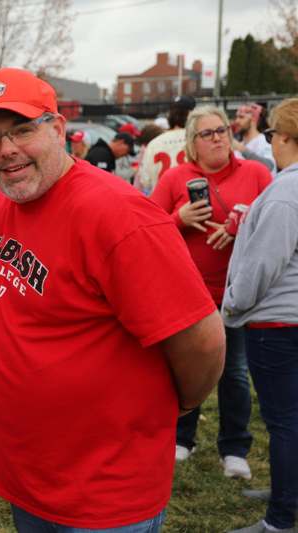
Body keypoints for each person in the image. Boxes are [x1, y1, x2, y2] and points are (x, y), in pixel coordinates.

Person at [0, 67, 225, 532]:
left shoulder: (116, 214)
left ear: (59, 130)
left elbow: (202, 340)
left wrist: (179, 405)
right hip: (31, 480)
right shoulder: (8, 197)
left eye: (22, 130)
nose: (6, 150)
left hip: (105, 493)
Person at [151, 106, 272, 478]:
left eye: (222, 130)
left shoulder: (255, 172)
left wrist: (239, 226)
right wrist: (179, 219)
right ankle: (182, 438)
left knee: (234, 372)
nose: (218, 137)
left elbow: (275, 224)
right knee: (184, 368)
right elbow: (147, 230)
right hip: (188, 293)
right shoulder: (175, 178)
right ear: (192, 142)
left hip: (237, 292)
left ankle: (234, 448)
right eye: (208, 133)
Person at [222, 98, 298, 533]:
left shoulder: (286, 191)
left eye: (271, 134)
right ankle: (288, 490)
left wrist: (232, 303)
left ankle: (280, 520)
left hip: (278, 323)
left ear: (283, 136)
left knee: (283, 421)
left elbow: (263, 264)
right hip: (288, 318)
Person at [137, 95, 196, 195]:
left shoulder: (154, 143)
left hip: (162, 204)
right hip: (192, 201)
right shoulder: (198, 139)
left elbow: (145, 181)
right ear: (191, 114)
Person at [232, 103, 276, 173]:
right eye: (236, 117)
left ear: (253, 119)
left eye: (241, 117)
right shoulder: (238, 145)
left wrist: (243, 150)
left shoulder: (264, 141)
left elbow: (269, 166)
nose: (237, 121)